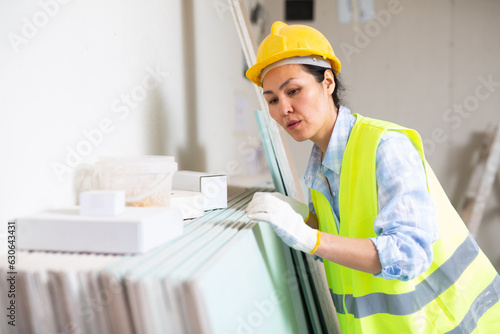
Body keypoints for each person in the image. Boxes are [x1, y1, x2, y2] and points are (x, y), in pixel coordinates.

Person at [245, 21, 500, 333]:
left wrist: (310, 238)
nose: (284, 108)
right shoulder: (320, 167)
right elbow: (349, 236)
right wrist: (303, 220)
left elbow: (410, 254)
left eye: (294, 91)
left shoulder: (385, 145)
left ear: (327, 83)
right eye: (272, 99)